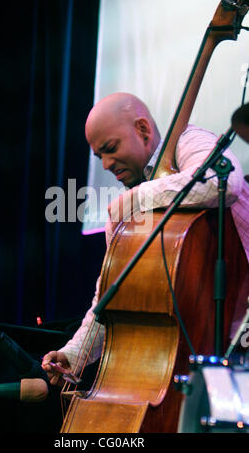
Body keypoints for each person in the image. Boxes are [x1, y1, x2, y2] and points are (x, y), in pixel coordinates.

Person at [42, 92, 249, 385]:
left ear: (143, 130)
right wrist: (75, 354)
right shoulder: (128, 217)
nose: (105, 164)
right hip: (206, 354)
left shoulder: (185, 141)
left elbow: (222, 181)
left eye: (110, 148)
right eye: (99, 156)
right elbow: (110, 295)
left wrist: (136, 197)